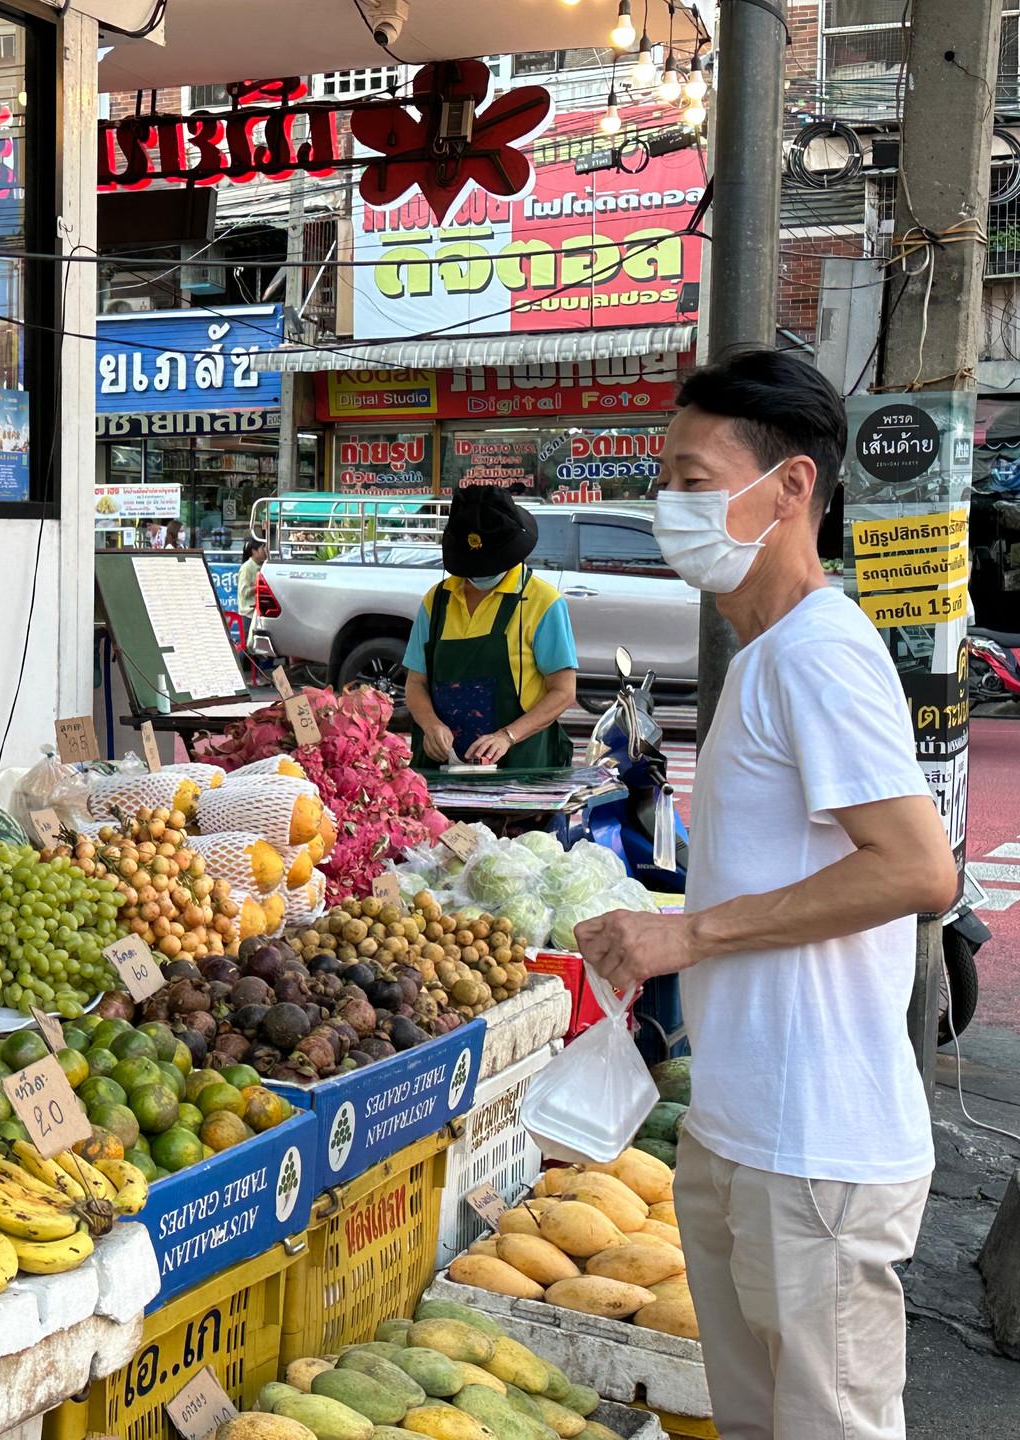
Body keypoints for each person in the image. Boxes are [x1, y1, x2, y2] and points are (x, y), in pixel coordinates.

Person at [575, 350, 955, 1440]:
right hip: (747, 1132)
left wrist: (687, 933)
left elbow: (917, 868)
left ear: (789, 487)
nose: (670, 507)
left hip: (818, 1150)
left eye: (695, 481)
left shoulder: (818, 656)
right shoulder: (765, 656)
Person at [401, 485, 577, 768]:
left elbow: (563, 691)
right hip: (441, 767)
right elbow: (415, 683)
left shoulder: (543, 602)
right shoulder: (437, 600)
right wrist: (431, 726)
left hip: (520, 766)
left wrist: (508, 736)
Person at [237, 537, 268, 620]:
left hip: (260, 613)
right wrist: (261, 586)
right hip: (249, 614)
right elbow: (244, 592)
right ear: (254, 551)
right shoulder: (246, 568)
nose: (266, 550)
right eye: (263, 548)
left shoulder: (264, 566)